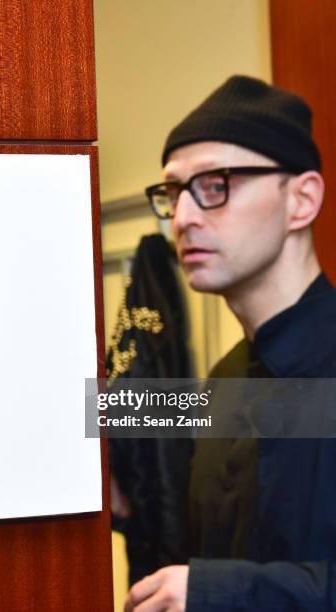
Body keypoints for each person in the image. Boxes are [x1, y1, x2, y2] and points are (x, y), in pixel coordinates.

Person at [124, 75, 336, 611]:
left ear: (302, 200)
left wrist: (220, 594)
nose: (185, 217)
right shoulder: (219, 383)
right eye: (173, 192)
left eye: (216, 185)